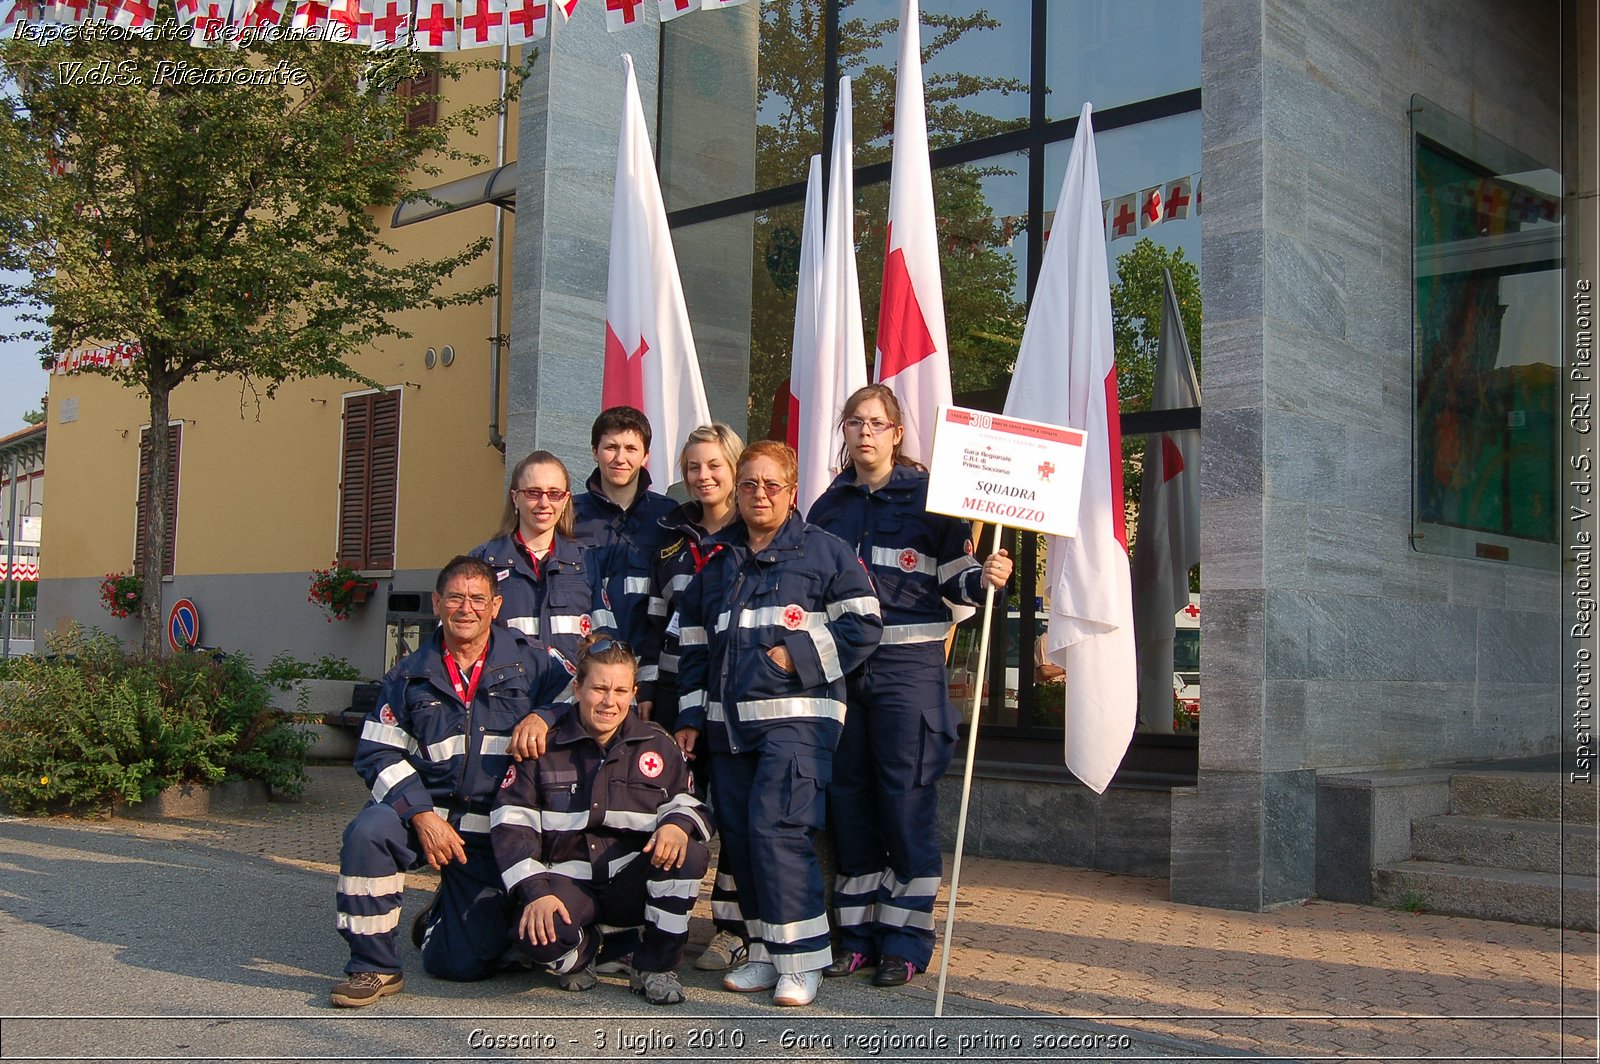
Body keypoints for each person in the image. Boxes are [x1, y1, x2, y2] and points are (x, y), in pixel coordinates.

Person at [806, 383, 1013, 987]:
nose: (864, 432)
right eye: (854, 422)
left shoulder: (934, 498)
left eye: (876, 423)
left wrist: (988, 576)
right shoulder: (827, 507)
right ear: (844, 433)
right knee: (851, 805)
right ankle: (858, 937)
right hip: (845, 675)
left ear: (897, 433)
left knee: (905, 804)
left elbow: (959, 583)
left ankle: (906, 941)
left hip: (909, 675)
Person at [674, 440, 883, 1007]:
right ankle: (767, 952)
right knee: (741, 840)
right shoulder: (716, 560)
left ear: (793, 492)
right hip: (727, 728)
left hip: (798, 723)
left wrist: (797, 654)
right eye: (749, 485)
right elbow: (690, 644)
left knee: (777, 833)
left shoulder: (826, 553)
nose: (759, 494)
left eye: (771, 485)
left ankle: (804, 961)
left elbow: (865, 625)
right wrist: (691, 715)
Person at [329, 556, 573, 1008]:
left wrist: (544, 714)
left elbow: (578, 694)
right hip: (428, 814)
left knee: (460, 966)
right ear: (438, 603)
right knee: (368, 832)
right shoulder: (409, 673)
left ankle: (444, 916)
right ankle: (373, 966)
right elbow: (377, 751)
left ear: (495, 605)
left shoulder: (531, 660)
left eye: (478, 598)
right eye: (456, 598)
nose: (467, 608)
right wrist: (420, 814)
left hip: (494, 828)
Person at [491, 636, 713, 1006]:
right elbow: (512, 825)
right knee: (534, 937)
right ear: (577, 688)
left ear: (633, 692)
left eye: (621, 690)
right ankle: (594, 949)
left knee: (687, 852)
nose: (610, 701)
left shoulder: (658, 743)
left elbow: (693, 803)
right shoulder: (544, 745)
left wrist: (676, 824)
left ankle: (655, 965)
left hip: (631, 883)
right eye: (599, 688)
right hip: (568, 883)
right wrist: (536, 892)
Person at [637, 422, 747, 973]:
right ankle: (661, 920)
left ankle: (731, 928)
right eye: (692, 467)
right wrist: (651, 691)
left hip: (736, 692)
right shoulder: (672, 538)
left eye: (713, 466)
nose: (702, 477)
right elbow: (656, 624)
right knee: (675, 800)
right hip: (678, 689)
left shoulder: (753, 533)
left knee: (731, 806)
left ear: (734, 468)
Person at [471, 451, 614, 677]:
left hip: (569, 702)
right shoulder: (483, 562)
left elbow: (605, 642)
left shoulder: (587, 562)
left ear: (566, 500)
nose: (544, 503)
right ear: (515, 498)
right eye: (533, 492)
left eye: (554, 493)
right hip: (505, 703)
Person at [572, 406, 677, 690]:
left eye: (631, 448)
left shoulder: (669, 517)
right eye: (611, 447)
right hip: (589, 673)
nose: (620, 458)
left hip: (654, 674)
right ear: (595, 451)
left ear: (645, 456)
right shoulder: (568, 516)